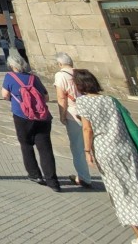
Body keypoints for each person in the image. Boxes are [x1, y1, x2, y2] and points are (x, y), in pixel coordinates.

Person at [74, 68, 138, 244]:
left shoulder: (82, 103)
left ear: (79, 85)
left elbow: (87, 129)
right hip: (126, 148)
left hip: (105, 151)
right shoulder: (111, 100)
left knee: (121, 193)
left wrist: (87, 151)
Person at [1, 52, 59, 190]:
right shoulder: (34, 78)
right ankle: (53, 182)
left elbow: (4, 95)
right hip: (42, 117)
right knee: (45, 149)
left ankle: (35, 174)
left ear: (10, 65)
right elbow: (46, 97)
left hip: (22, 116)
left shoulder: (9, 77)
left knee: (26, 145)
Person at [54, 52, 94, 188]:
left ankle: (84, 177)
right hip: (92, 111)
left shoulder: (60, 75)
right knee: (96, 145)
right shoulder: (83, 74)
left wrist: (62, 114)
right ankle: (109, 175)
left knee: (78, 147)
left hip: (75, 113)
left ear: (60, 64)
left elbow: (61, 97)